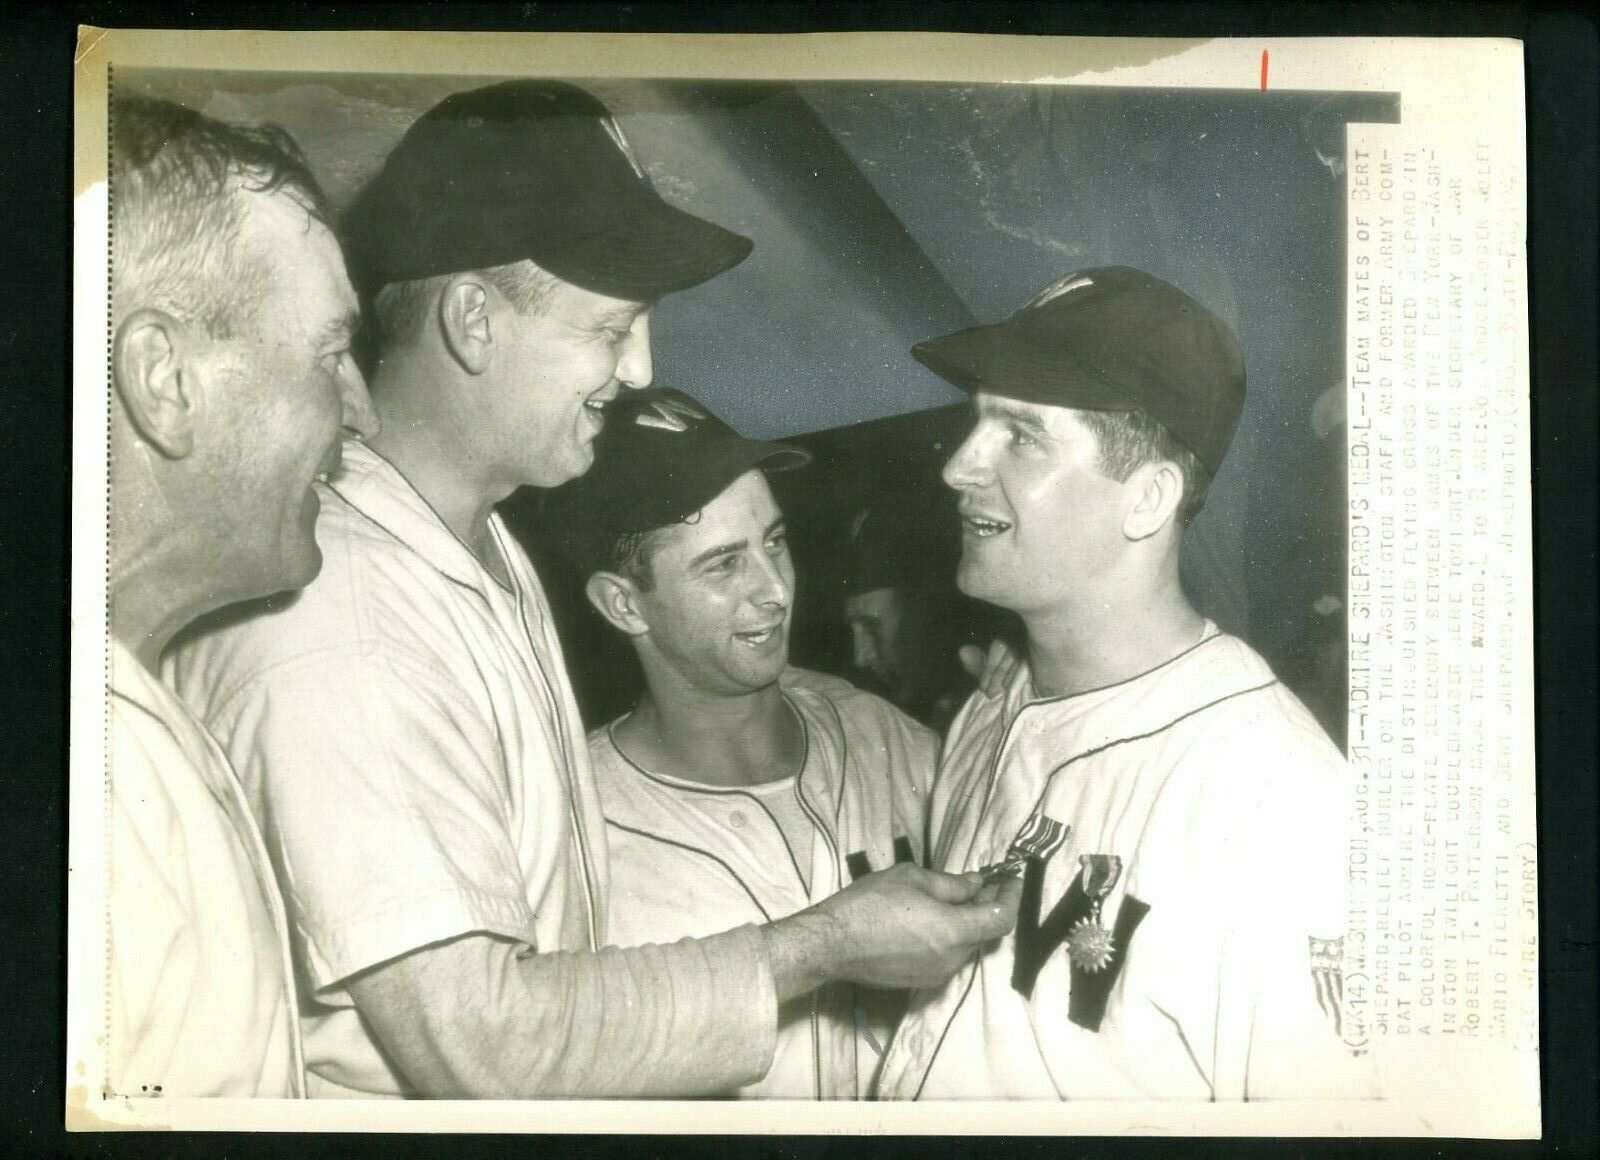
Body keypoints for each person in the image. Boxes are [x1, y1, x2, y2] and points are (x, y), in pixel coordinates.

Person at [167, 79, 1017, 1100]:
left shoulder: (470, 543)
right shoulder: (348, 615)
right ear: (474, 320)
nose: (636, 368)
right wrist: (821, 944)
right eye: (610, 329)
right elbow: (479, 1042)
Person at [874, 266, 1353, 1100]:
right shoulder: (993, 707)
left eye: (1020, 436)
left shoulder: (1276, 800)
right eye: (976, 424)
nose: (957, 467)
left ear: (1148, 499)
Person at [547, 387, 940, 1099]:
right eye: (724, 563)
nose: (775, 590)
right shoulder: (570, 834)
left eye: (775, 542)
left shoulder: (882, 735)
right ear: (623, 604)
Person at [104, 96, 379, 1096]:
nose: (361, 408)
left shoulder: (136, 710)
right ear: (166, 380)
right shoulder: (82, 791)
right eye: (326, 353)